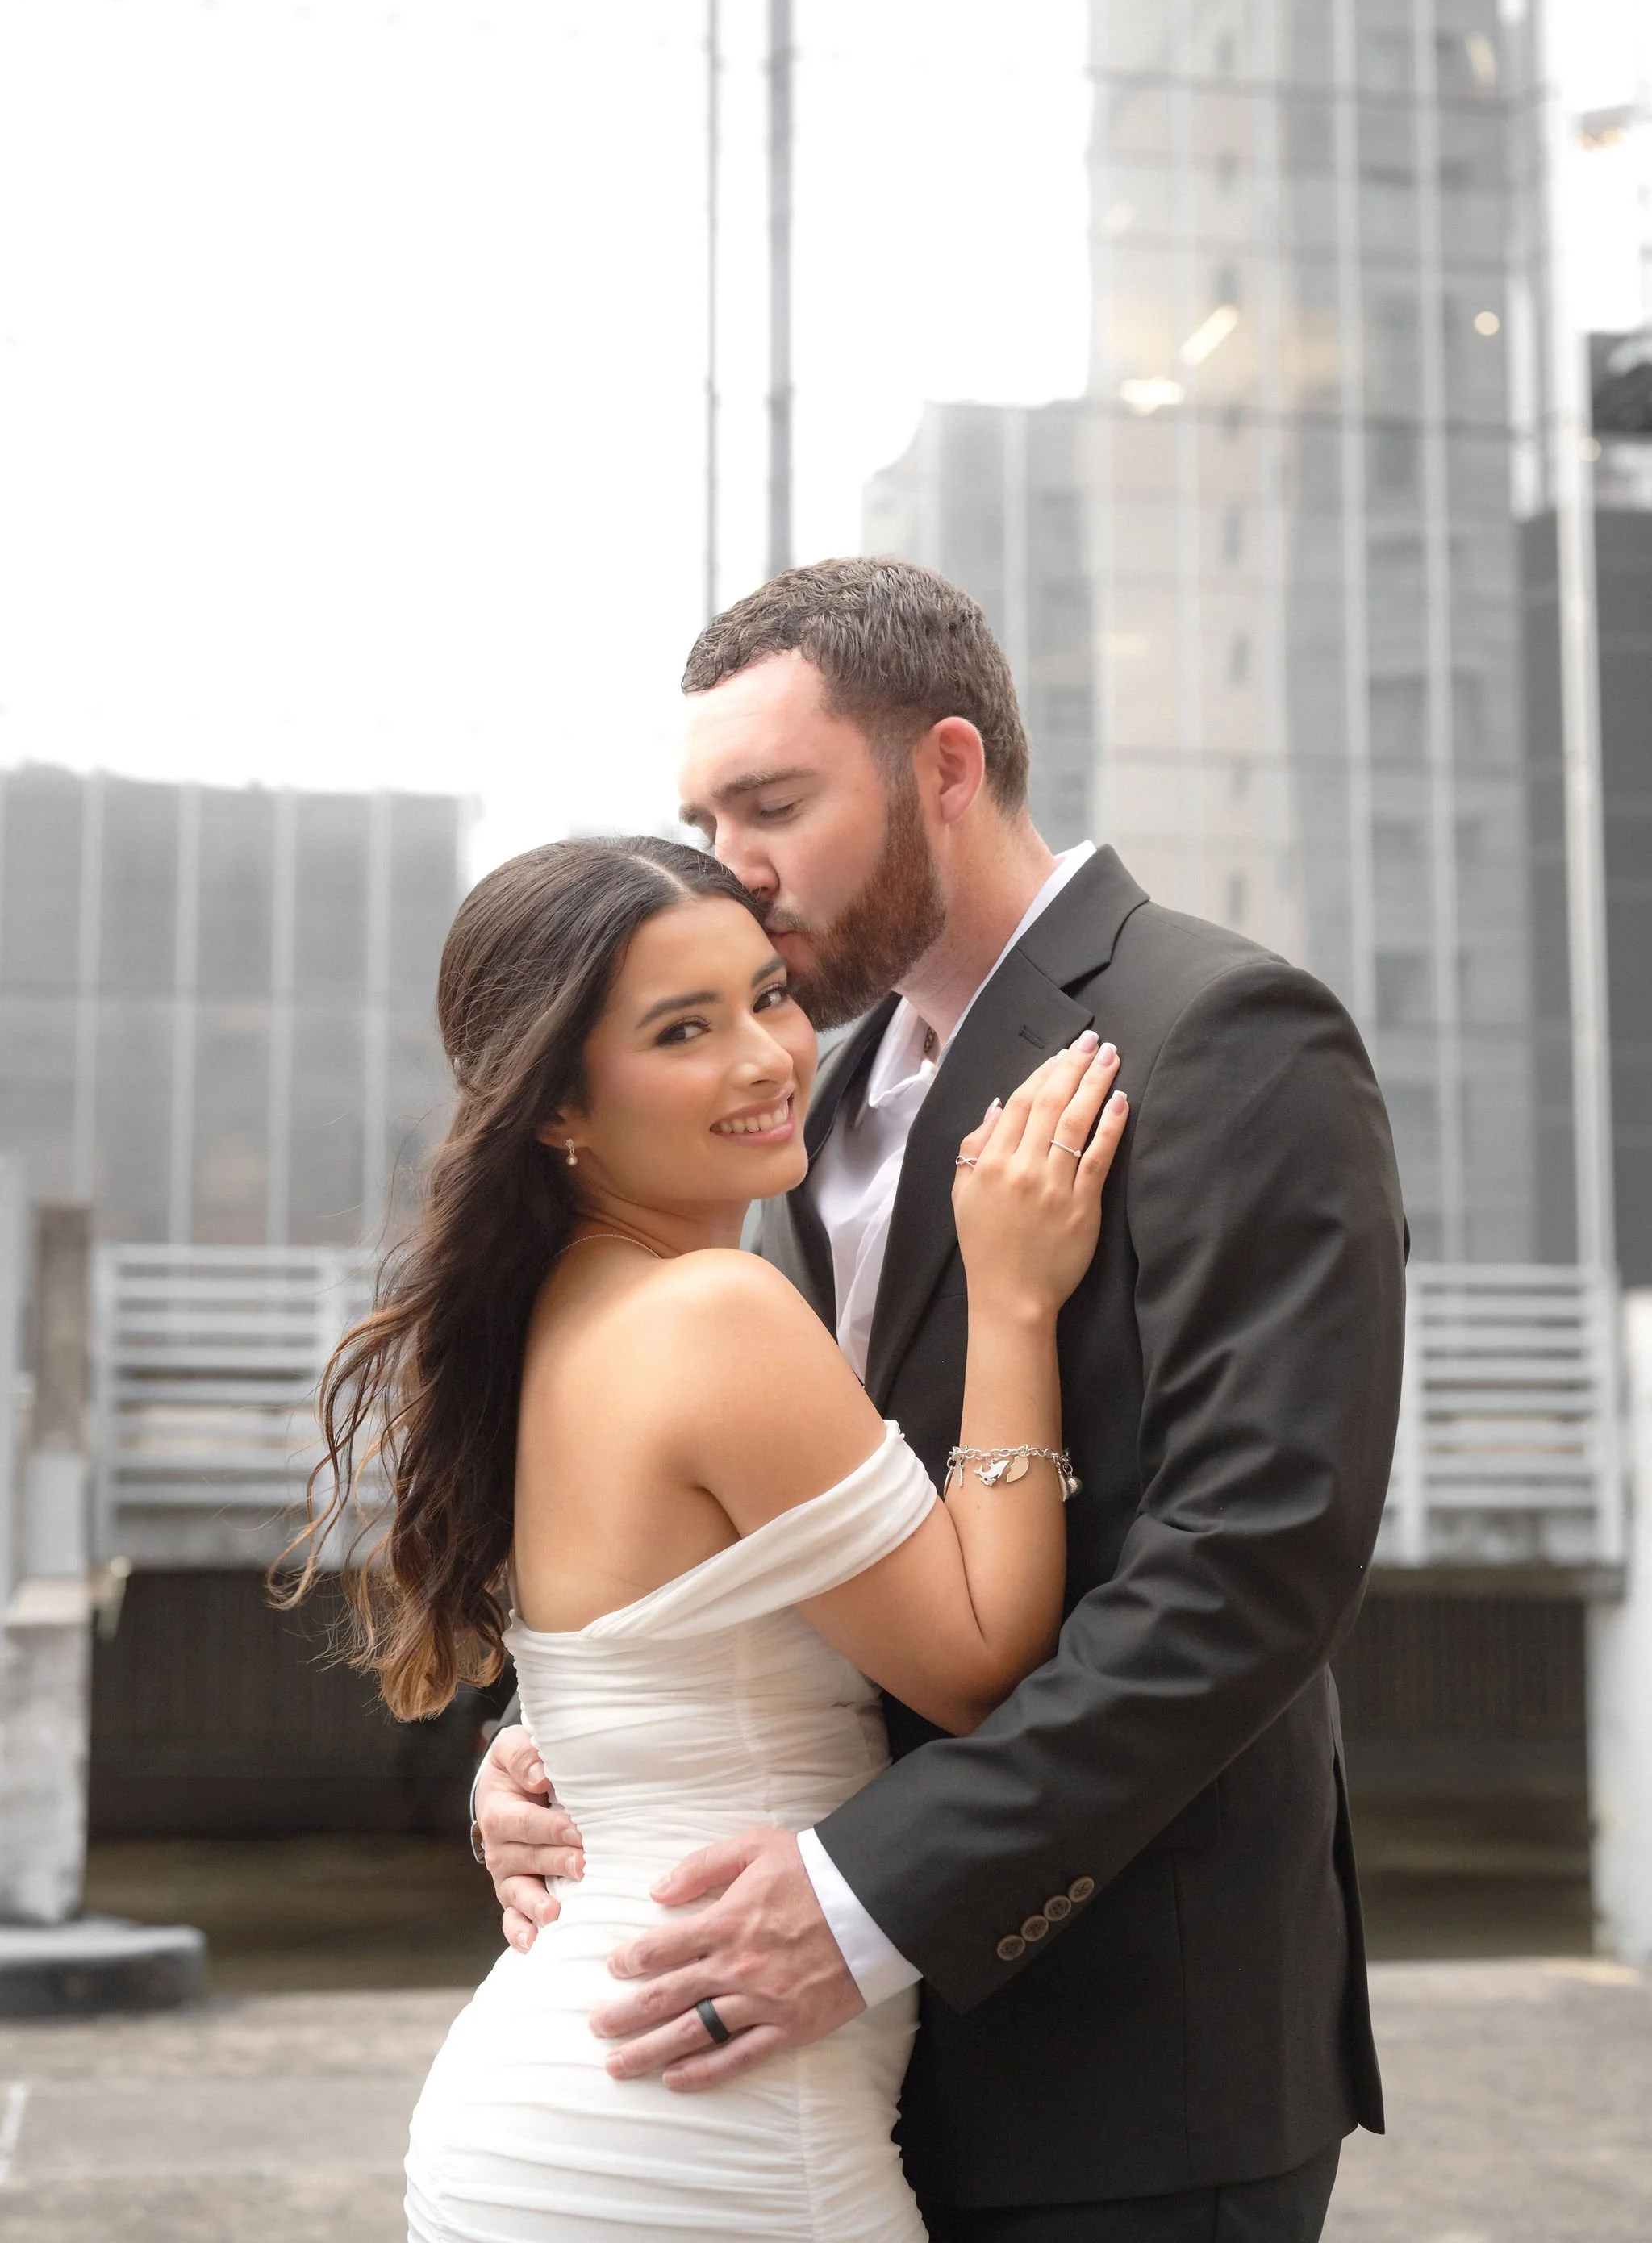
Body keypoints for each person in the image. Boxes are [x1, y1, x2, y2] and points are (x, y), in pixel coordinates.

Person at [476, 558, 1407, 2242]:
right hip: (824, 2066)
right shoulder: (809, 1099)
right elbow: (790, 1517)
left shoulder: (1219, 1033)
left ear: (946, 772)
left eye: (770, 806)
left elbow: (1252, 1562)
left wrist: (863, 1898)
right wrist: (581, 1748)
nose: (732, 877)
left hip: (1124, 2062)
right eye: (700, 817)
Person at [288, 828, 1128, 2241]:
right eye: (686, 1029)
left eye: (769, 996)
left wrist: (535, 1762)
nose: (765, 1058)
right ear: (558, 1101)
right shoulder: (715, 1314)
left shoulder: (564, 1306)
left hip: (577, 2102)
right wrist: (1016, 1298)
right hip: (693, 2136)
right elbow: (982, 1663)